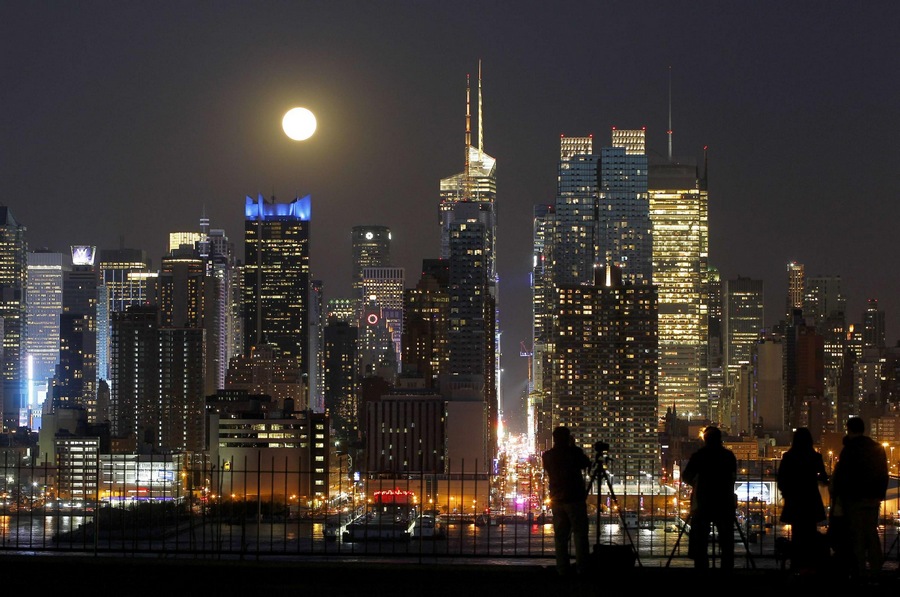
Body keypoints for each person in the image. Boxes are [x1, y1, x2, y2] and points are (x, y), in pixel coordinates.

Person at [830, 416, 889, 580]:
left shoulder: (849, 449)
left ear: (849, 430)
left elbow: (843, 476)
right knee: (872, 533)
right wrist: (879, 494)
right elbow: (884, 474)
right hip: (872, 499)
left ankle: (860, 572)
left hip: (854, 498)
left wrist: (839, 497)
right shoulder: (876, 448)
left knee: (857, 536)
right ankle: (876, 570)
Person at [681, 425, 737, 570]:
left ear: (705, 440)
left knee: (700, 542)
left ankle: (702, 571)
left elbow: (686, 476)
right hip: (724, 503)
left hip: (703, 503)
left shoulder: (699, 456)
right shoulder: (728, 456)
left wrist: (696, 482)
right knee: (726, 542)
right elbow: (733, 477)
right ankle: (726, 571)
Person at [776, 427, 829, 573]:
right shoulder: (815, 457)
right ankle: (810, 564)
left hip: (794, 500)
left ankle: (797, 564)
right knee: (810, 533)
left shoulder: (788, 457)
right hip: (811, 499)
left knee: (797, 534)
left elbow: (781, 479)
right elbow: (824, 478)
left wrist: (787, 493)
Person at [542, 425, 592, 577]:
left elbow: (549, 470)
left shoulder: (548, 456)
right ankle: (582, 568)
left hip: (557, 500)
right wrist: (574, 446)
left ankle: (562, 569)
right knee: (580, 534)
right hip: (574, 498)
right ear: (567, 438)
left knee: (560, 536)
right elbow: (586, 463)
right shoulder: (574, 453)